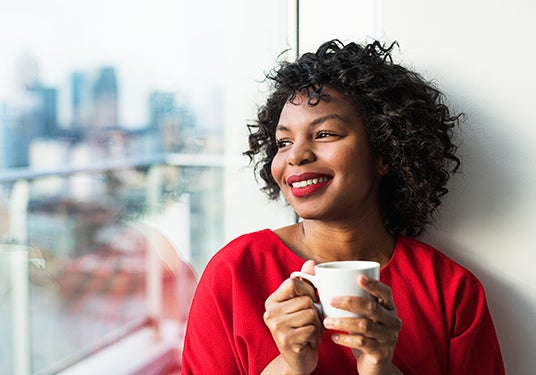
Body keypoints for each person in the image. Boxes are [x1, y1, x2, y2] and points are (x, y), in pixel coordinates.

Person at [181, 39, 505, 374]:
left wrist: (380, 367)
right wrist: (290, 367)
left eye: (324, 134)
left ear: (384, 152)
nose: (296, 155)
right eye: (284, 142)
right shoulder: (234, 273)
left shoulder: (450, 290)